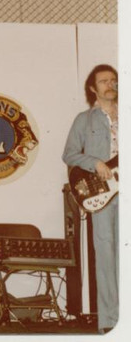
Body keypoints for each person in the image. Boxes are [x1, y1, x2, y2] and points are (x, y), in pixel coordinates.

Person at [62, 64, 118, 334]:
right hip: (103, 193)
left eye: (114, 80)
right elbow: (69, 154)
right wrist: (95, 162)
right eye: (104, 81)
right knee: (105, 255)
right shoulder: (84, 120)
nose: (111, 84)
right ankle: (110, 321)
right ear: (93, 88)